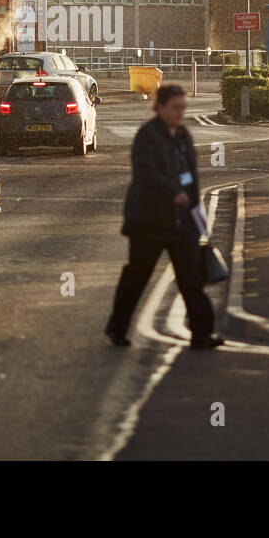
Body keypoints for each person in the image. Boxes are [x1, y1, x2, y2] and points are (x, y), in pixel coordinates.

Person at [106, 83, 223, 350]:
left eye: (183, 108)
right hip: (149, 221)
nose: (180, 113)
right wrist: (173, 193)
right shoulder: (147, 136)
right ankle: (117, 327)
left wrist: (194, 205)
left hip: (181, 221)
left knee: (191, 278)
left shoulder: (182, 135)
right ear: (160, 107)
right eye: (175, 108)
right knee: (137, 277)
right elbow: (146, 174)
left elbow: (192, 174)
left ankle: (202, 334)